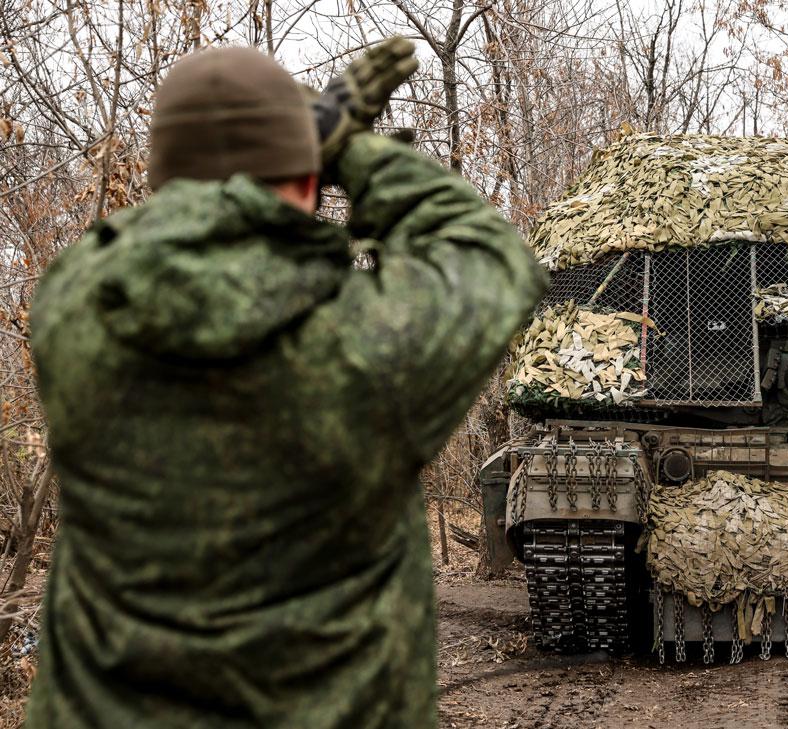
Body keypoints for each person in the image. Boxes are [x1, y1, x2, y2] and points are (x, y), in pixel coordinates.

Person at [24, 38, 547, 728]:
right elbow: (493, 258)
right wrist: (346, 145)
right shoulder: (363, 346)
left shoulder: (75, 312)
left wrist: (283, 144)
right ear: (308, 176)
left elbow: (146, 232)